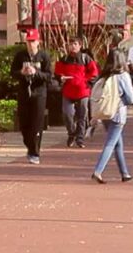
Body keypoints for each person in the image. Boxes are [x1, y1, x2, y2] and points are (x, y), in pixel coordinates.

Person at [91, 32, 133, 184]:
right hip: (118, 113)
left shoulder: (104, 75)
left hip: (105, 112)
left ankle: (124, 173)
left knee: (117, 142)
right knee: (111, 143)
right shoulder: (122, 75)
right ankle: (98, 170)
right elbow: (131, 98)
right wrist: (121, 99)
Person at [10, 29, 52, 164]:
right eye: (28, 41)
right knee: (24, 124)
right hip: (24, 92)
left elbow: (49, 76)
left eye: (33, 41)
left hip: (39, 94)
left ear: (38, 42)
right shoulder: (20, 56)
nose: (30, 44)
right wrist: (22, 72)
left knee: (36, 124)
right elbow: (12, 73)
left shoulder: (44, 57)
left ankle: (35, 152)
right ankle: (29, 145)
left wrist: (36, 72)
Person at [54, 37, 99, 148]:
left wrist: (86, 82)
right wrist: (61, 78)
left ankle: (80, 138)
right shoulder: (64, 59)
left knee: (82, 115)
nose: (73, 46)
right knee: (67, 114)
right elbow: (57, 73)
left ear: (80, 45)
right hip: (68, 91)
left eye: (75, 44)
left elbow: (94, 73)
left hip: (83, 91)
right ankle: (71, 133)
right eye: (71, 44)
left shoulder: (86, 58)